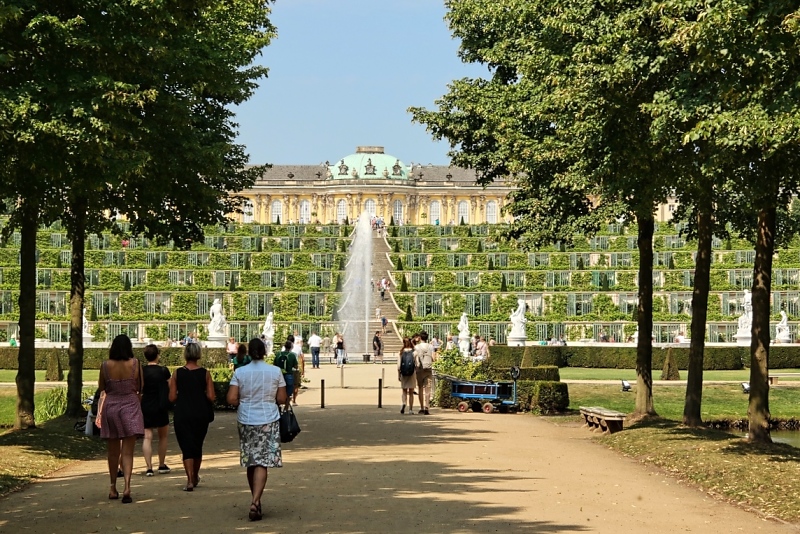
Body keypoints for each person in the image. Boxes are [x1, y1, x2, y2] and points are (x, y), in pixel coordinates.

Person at [227, 338, 287, 522]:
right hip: (268, 417)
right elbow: (283, 398)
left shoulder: (240, 372)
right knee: (263, 461)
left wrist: (243, 403)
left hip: (246, 418)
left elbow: (231, 398)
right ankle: (255, 501)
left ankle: (255, 499)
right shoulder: (275, 371)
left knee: (251, 459)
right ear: (264, 352)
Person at [98, 334, 144, 503]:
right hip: (131, 406)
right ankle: (127, 486)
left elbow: (102, 388)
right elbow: (140, 387)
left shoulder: (105, 366)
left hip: (111, 407)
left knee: (112, 452)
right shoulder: (136, 364)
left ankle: (112, 487)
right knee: (128, 452)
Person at [169, 343, 216, 491]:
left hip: (183, 412)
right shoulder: (205, 373)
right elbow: (211, 396)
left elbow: (171, 397)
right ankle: (195, 475)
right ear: (198, 355)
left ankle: (189, 479)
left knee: (186, 446)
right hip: (200, 412)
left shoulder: (177, 373)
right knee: (197, 445)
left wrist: (182, 396)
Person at [140, 344, 171, 477]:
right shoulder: (163, 371)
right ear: (157, 355)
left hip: (146, 405)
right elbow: (170, 386)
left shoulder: (142, 371)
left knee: (147, 437)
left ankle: (149, 467)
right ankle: (162, 464)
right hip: (160, 404)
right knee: (162, 436)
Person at [413, 331, 435, 415]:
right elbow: (433, 358)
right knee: (428, 389)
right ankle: (427, 407)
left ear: (420, 338)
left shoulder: (417, 347)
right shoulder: (431, 346)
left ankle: (421, 407)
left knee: (420, 388)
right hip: (428, 369)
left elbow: (414, 356)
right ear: (427, 338)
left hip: (419, 369)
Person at [273, 340, 298, 405]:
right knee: (289, 392)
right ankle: (286, 408)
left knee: (277, 390)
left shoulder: (278, 354)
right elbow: (295, 366)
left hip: (278, 374)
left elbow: (274, 364)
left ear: (284, 346)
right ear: (291, 347)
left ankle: (278, 405)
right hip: (288, 374)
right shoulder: (292, 355)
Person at [397, 337, 416, 414]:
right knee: (411, 392)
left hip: (404, 373)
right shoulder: (414, 352)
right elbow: (417, 364)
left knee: (404, 391)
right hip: (412, 373)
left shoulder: (401, 352)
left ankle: (404, 403)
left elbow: (398, 366)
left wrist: (398, 375)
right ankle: (411, 410)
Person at [290, 332, 304, 405]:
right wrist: (302, 370)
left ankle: (287, 400)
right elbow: (302, 359)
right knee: (296, 385)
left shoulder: (284, 347)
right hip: (296, 369)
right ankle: (294, 400)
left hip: (287, 369)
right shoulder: (298, 347)